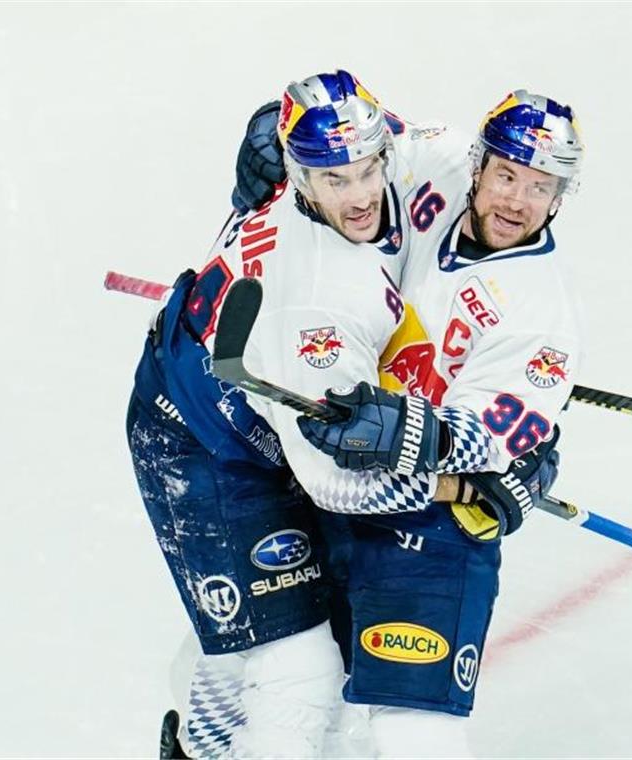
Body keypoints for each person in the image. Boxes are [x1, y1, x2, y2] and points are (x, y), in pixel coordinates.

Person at [128, 71, 557, 759]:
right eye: (333, 180)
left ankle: (200, 741)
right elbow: (336, 486)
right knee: (298, 671)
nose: (358, 197)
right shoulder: (321, 301)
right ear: (299, 178)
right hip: (202, 438)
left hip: (265, 407)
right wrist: (466, 482)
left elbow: (345, 120)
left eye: (365, 172)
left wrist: (510, 426)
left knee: (286, 624)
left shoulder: (386, 151)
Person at [240, 89, 586, 756]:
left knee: (413, 731)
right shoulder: (443, 161)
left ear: (559, 198)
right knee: (285, 679)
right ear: (480, 165)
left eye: (540, 187)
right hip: (337, 474)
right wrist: (267, 133)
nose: (516, 200)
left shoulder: (546, 315)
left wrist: (423, 437)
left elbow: (491, 437)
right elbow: (354, 131)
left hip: (429, 521)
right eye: (508, 175)